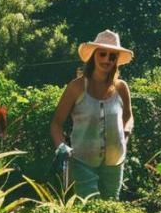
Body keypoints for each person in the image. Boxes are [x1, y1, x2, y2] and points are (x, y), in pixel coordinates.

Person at [50, 30, 134, 199]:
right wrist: (61, 147)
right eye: (102, 54)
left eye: (112, 56)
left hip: (115, 161)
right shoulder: (77, 87)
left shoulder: (121, 87)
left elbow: (129, 117)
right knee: (89, 204)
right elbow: (56, 124)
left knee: (110, 209)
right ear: (94, 55)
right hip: (82, 160)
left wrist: (125, 135)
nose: (106, 59)